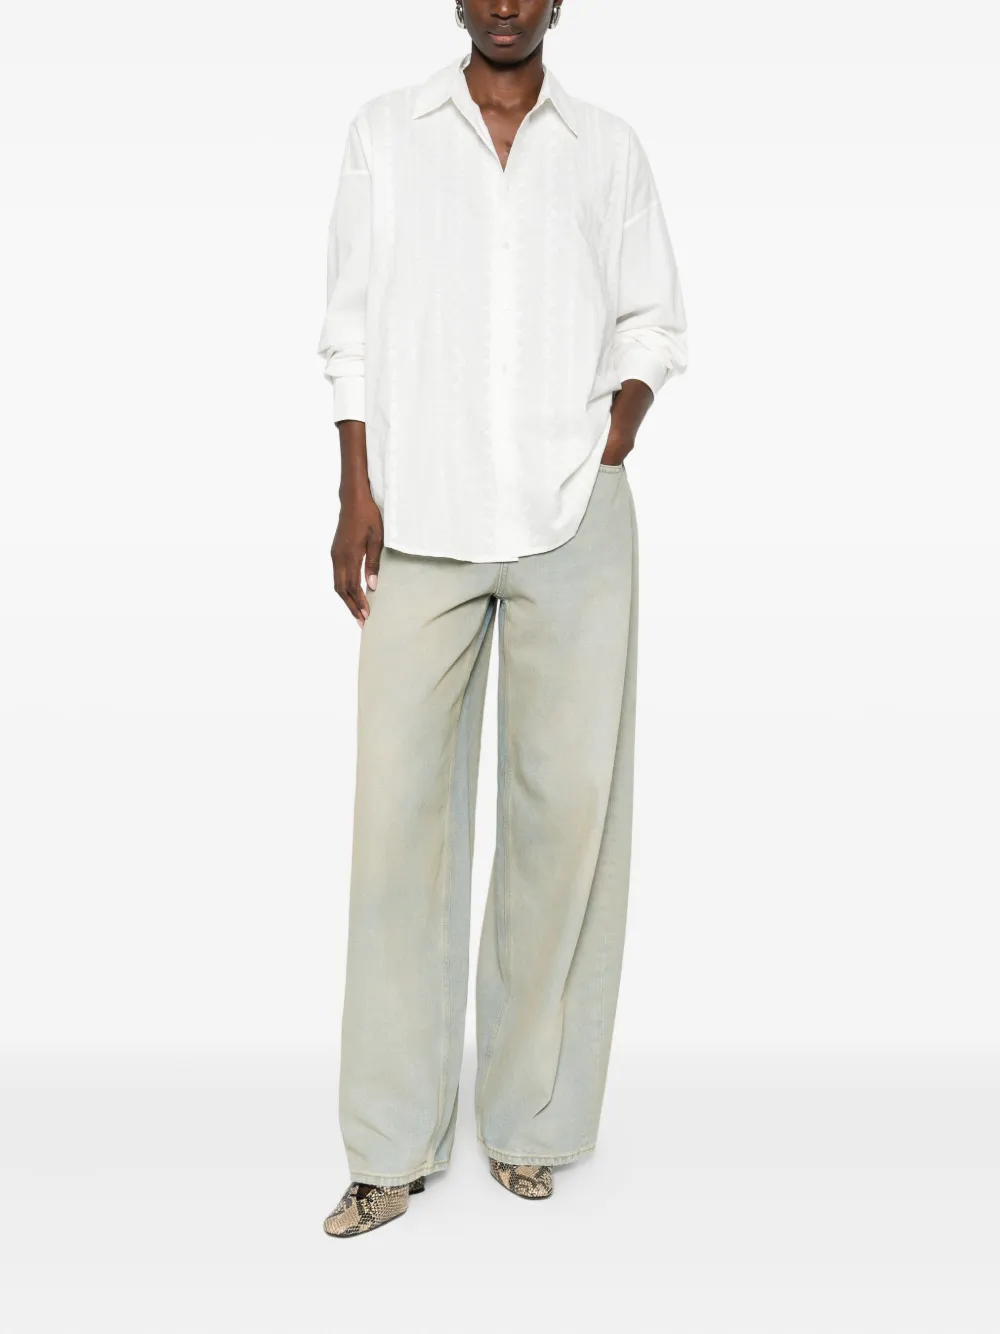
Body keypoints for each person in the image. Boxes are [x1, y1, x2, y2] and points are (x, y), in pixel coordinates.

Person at [317, 0, 687, 1238]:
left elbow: (653, 317)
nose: (506, 6)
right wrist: (353, 489)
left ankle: (532, 1123)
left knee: (562, 825)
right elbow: (349, 329)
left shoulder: (607, 147)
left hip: (572, 515)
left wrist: (616, 428)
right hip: (418, 514)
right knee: (396, 829)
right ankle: (388, 1146)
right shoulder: (386, 132)